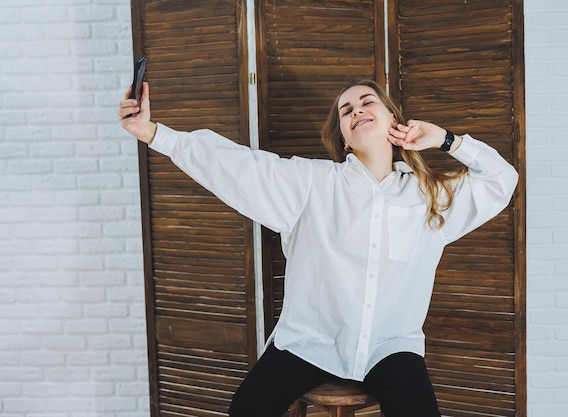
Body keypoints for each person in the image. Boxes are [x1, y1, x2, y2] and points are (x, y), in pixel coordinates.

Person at [119, 79, 518, 417]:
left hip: (391, 346)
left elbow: (502, 180)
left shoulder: (430, 195)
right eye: (346, 110)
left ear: (394, 121)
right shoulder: (312, 183)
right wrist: (154, 133)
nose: (356, 110)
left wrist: (446, 140)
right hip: (309, 342)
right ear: (344, 138)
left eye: (366, 102)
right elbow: (235, 164)